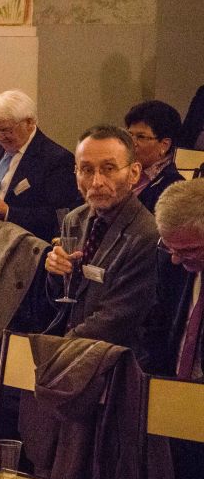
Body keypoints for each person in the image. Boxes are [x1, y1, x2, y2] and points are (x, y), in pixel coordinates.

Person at [44, 125, 158, 353]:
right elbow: (59, 303)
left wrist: (43, 353)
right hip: (67, 345)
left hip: (111, 358)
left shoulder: (147, 234)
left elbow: (115, 321)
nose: (96, 182)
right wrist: (55, 273)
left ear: (134, 173)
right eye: (86, 170)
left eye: (108, 169)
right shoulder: (74, 220)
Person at [150, 180, 204, 479]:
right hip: (173, 400)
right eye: (170, 248)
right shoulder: (174, 263)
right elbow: (155, 327)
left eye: (187, 251)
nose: (175, 259)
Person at [0, 89, 81, 241]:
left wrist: (8, 212)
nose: (0, 137)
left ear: (29, 123)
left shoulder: (56, 159)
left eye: (6, 130)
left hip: (21, 243)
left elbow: (58, 218)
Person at [125, 99, 183, 213]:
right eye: (129, 135)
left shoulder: (174, 189)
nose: (131, 143)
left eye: (141, 137)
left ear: (164, 145)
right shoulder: (121, 172)